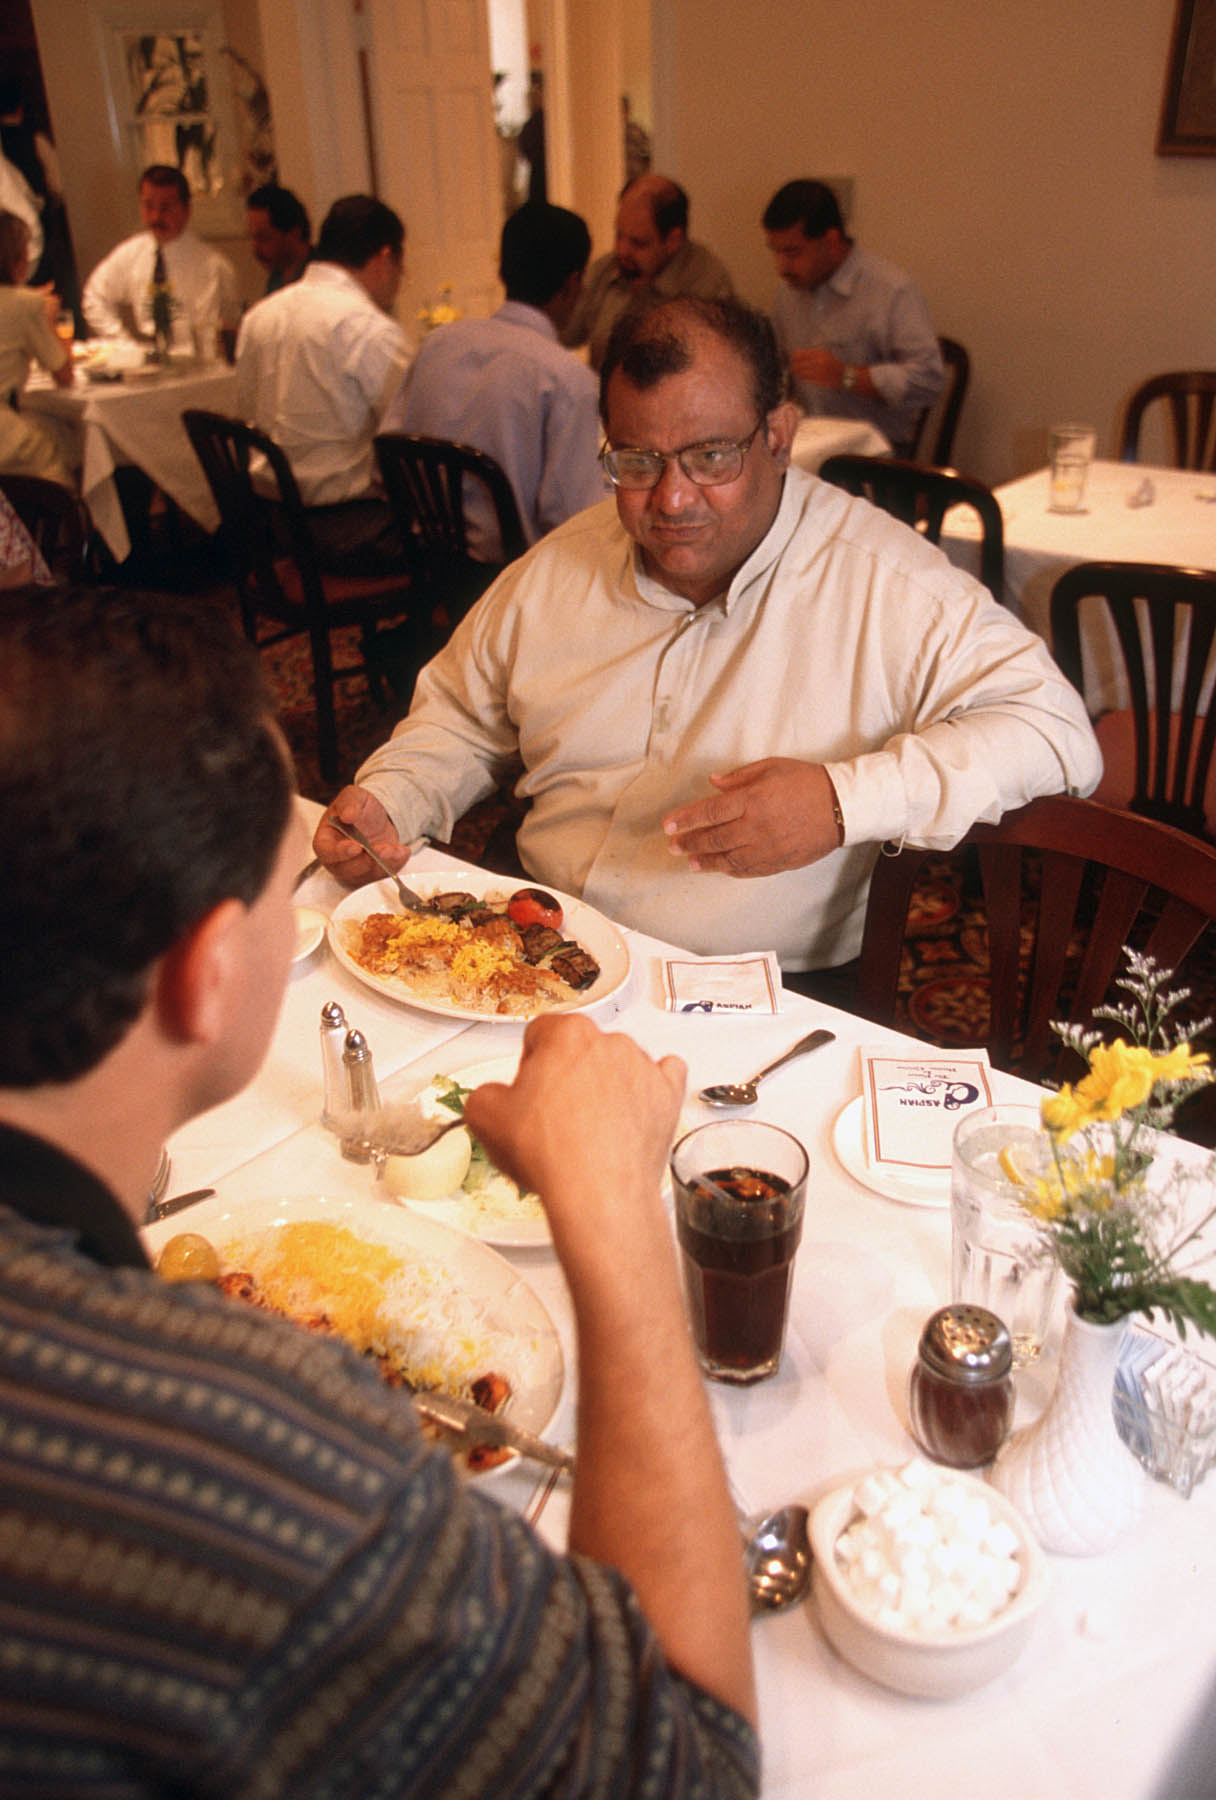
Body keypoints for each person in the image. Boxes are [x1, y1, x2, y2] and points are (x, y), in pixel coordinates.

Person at [0, 584, 758, 1797]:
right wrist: (614, 1211)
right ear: (208, 974)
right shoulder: (245, 1451)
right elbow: (684, 1763)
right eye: (279, 889)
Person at [313, 295, 1101, 988]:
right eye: (637, 462)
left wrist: (841, 802)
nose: (672, 499)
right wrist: (397, 795)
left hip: (753, 985)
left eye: (711, 457)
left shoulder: (887, 584)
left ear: (780, 437)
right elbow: (459, 717)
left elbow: (1057, 733)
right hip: (530, 942)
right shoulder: (561, 564)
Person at [385, 201, 602, 563]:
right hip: (514, 577)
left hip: (427, 564)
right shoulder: (567, 379)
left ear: (502, 270)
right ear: (572, 284)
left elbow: (387, 461)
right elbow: (571, 516)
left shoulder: (438, 344)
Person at [235, 193, 412, 574]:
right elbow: (414, 431)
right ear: (384, 259)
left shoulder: (259, 318)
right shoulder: (366, 329)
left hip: (275, 525)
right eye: (401, 268)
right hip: (350, 532)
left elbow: (247, 415)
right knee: (465, 535)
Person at [762, 178, 944, 456]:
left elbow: (928, 380)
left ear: (831, 240)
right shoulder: (789, 294)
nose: (781, 266)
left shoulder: (890, 290)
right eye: (776, 252)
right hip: (811, 440)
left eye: (793, 253)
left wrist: (847, 376)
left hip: (876, 452)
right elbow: (775, 368)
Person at [562, 174, 733, 371]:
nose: (622, 250)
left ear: (673, 240)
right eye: (619, 235)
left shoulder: (708, 284)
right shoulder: (606, 268)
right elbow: (563, 333)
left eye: (638, 243)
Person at [82, 163, 238, 355]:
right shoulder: (131, 253)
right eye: (148, 206)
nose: (156, 216)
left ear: (186, 210)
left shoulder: (211, 266)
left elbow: (210, 335)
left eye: (166, 207)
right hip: (146, 360)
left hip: (193, 361)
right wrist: (124, 344)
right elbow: (94, 296)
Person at [0, 208, 75, 488]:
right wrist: (48, 318)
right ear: (16, 257)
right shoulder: (26, 304)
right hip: (4, 433)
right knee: (61, 453)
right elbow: (64, 374)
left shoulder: (24, 301)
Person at [246, 181, 311, 294]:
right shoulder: (275, 280)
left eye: (263, 238)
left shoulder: (319, 281)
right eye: (252, 237)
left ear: (294, 234)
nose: (255, 248)